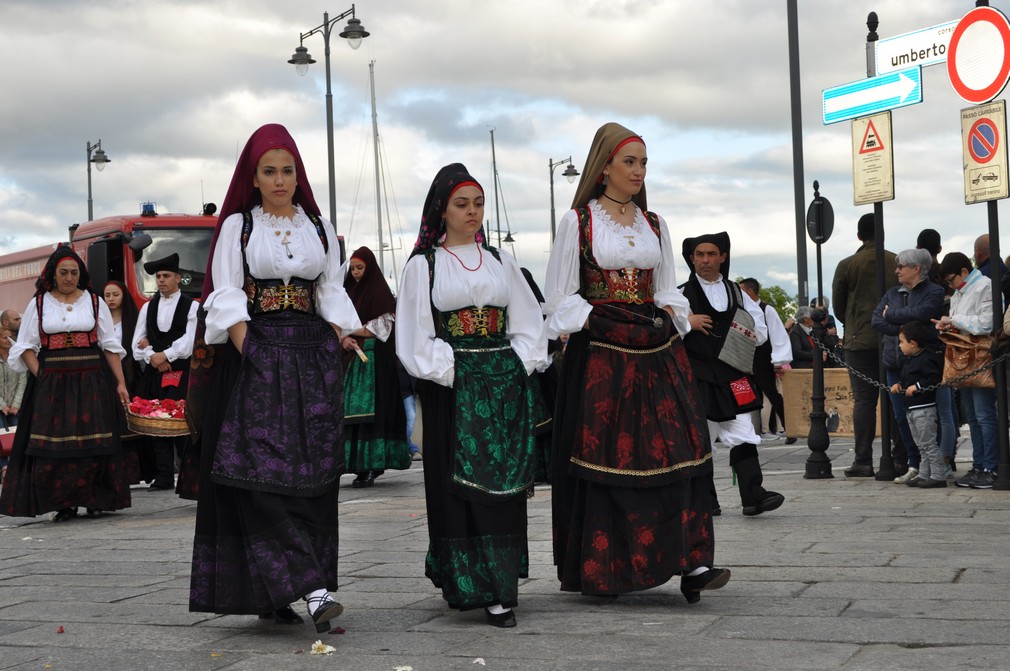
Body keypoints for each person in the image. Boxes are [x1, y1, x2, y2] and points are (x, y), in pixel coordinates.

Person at [543, 123, 729, 604]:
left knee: (679, 447)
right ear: (605, 165)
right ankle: (606, 569)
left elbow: (667, 287)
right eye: (630, 162)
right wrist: (597, 322)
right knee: (612, 456)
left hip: (656, 349)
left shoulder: (654, 223)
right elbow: (559, 296)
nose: (638, 171)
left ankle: (693, 562)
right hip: (604, 354)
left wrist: (671, 319)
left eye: (644, 163)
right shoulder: (578, 222)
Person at [188, 124, 361, 633]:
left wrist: (341, 336)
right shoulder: (239, 227)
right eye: (270, 171)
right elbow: (225, 294)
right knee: (256, 472)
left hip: (311, 355)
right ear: (254, 176)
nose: (280, 180)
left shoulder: (319, 227)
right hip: (258, 354)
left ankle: (296, 587)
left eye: (287, 170)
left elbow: (329, 289)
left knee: (313, 474)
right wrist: (253, 350)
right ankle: (312, 587)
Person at [396, 163, 546, 628]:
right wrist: (453, 371)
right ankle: (471, 583)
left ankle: (501, 583)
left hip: (502, 384)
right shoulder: (424, 265)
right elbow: (414, 336)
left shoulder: (501, 261)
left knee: (505, 486)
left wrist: (517, 363)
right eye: (462, 204)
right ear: (442, 209)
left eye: (478, 203)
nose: (472, 212)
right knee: (458, 487)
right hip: (454, 388)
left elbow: (528, 322)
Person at [0, 246, 130, 522]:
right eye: (64, 273)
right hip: (53, 381)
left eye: (74, 272)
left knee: (95, 439)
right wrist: (41, 374)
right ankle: (64, 502)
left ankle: (95, 499)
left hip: (92, 376)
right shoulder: (39, 303)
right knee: (56, 443)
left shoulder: (95, 302)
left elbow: (109, 346)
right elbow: (25, 345)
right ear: (53, 274)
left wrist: (120, 383)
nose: (69, 278)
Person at [681, 232, 783, 518]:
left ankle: (754, 496)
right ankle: (705, 501)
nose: (705, 260)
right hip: (698, 377)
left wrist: (742, 332)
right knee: (700, 439)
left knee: (745, 434)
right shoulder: (680, 295)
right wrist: (687, 322)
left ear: (722, 257)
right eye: (699, 255)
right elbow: (667, 329)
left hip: (733, 375)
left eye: (711, 254)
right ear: (692, 259)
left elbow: (759, 332)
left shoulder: (738, 293)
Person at [831, 213, 898, 478]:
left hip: (859, 339)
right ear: (882, 232)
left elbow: (838, 305)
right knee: (894, 398)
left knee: (863, 401)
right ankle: (899, 457)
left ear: (859, 235)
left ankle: (863, 459)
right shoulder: (895, 261)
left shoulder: (847, 264)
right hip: (893, 339)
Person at [871, 248, 944, 485]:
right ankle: (915, 464)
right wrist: (905, 330)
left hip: (923, 366)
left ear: (916, 268)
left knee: (928, 418)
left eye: (901, 266)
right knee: (903, 418)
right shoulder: (893, 292)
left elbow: (925, 315)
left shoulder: (934, 291)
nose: (896, 271)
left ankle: (937, 468)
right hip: (895, 364)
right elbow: (877, 320)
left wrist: (894, 315)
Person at [341, 246, 410, 488]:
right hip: (350, 364)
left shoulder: (380, 294)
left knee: (373, 416)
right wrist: (342, 338)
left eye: (360, 268)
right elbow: (336, 324)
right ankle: (355, 465)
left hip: (373, 366)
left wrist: (347, 330)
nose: (356, 273)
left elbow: (378, 330)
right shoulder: (346, 293)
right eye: (353, 269)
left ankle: (372, 465)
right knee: (348, 414)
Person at [131, 254, 198, 491]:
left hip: (182, 372)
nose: (161, 280)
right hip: (155, 373)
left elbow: (191, 340)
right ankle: (164, 475)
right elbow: (136, 341)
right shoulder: (148, 307)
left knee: (181, 424)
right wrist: (152, 357)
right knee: (156, 423)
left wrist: (166, 355)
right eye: (158, 276)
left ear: (178, 278)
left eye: (166, 276)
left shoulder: (192, 306)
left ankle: (188, 476)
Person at [936, 252, 998, 489]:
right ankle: (979, 464)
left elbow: (987, 322)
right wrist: (948, 324)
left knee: (984, 415)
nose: (950, 285)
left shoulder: (985, 286)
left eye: (951, 279)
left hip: (980, 357)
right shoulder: (958, 293)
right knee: (972, 417)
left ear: (964, 271)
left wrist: (954, 321)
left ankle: (990, 467)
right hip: (964, 358)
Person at [889, 321, 946, 488]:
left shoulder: (926, 359)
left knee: (929, 444)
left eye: (901, 342)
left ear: (912, 343)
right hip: (911, 408)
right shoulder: (909, 360)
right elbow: (907, 377)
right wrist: (899, 384)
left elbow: (933, 378)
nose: (900, 346)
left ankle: (938, 475)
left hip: (924, 408)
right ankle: (924, 474)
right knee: (921, 445)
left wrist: (918, 387)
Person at [739, 278, 790, 441]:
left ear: (749, 292)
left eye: (741, 290)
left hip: (763, 357)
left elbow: (777, 335)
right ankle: (746, 430)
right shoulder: (741, 310)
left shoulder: (767, 310)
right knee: (743, 391)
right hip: (745, 356)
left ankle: (788, 428)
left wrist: (778, 360)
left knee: (771, 394)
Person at [102, 281, 140, 391]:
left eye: (116, 294)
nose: (111, 299)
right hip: (105, 369)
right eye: (107, 295)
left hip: (128, 370)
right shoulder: (100, 320)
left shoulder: (133, 320)